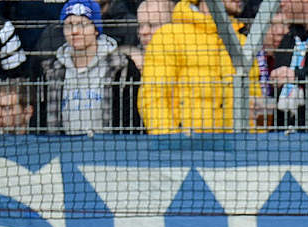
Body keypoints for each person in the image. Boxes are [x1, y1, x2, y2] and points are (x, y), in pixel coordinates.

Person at [138, 0, 241, 133]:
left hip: (235, 147)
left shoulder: (242, 41)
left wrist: (253, 148)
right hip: (184, 147)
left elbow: (252, 103)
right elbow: (152, 97)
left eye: (151, 25)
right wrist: (169, 142)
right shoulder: (170, 36)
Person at [40, 0, 142, 134]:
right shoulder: (52, 70)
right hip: (63, 149)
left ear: (95, 29)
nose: (75, 31)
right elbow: (42, 117)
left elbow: (130, 116)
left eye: (82, 24)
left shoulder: (120, 66)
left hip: (109, 149)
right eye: (68, 25)